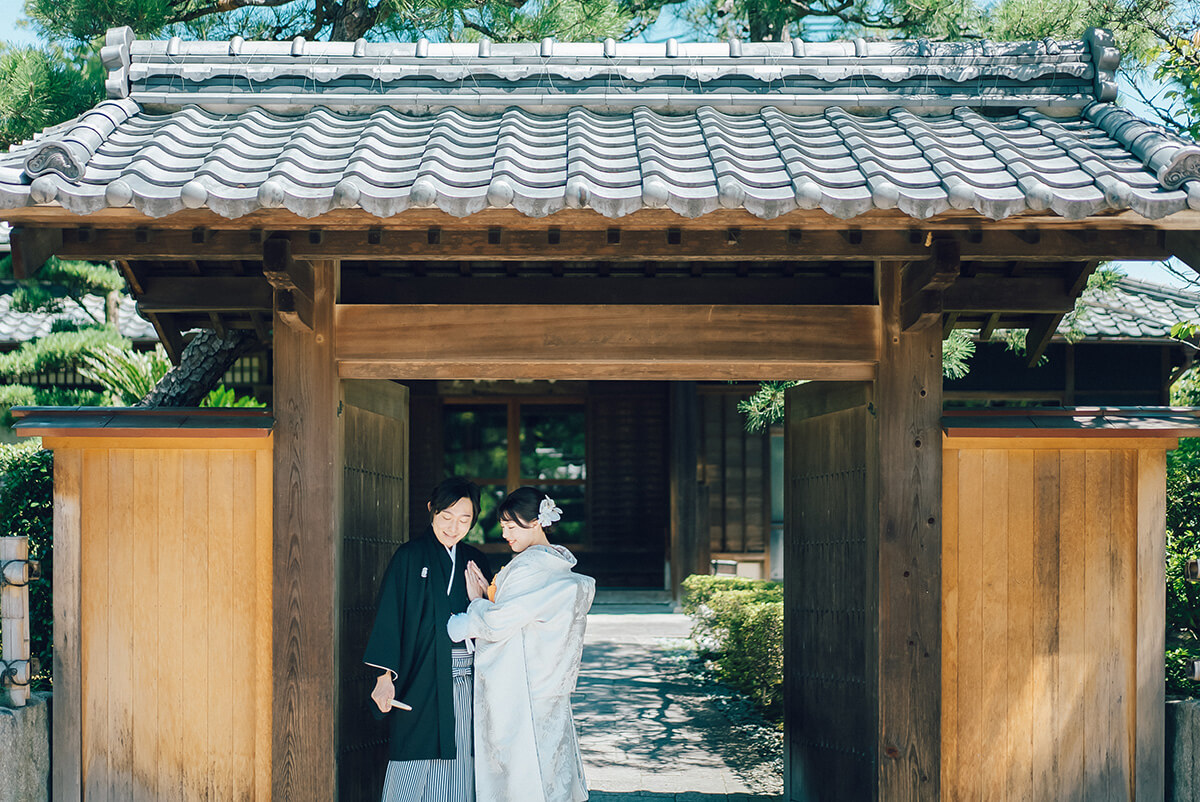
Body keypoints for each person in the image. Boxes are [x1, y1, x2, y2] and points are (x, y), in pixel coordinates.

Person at [447, 487, 596, 802]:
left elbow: (498, 623)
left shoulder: (530, 566)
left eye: (511, 526)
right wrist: (492, 594)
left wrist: (475, 605)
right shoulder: (555, 563)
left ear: (536, 523)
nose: (505, 534)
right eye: (502, 526)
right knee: (548, 768)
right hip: (549, 686)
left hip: (524, 688)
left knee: (523, 773)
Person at [363, 477, 494, 802]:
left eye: (464, 519)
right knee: (412, 752)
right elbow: (390, 617)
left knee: (462, 754)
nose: (454, 527)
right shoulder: (409, 557)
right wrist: (384, 676)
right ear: (431, 511)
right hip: (420, 678)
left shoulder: (474, 560)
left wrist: (482, 601)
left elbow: (494, 622)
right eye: (447, 517)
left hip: (466, 679)